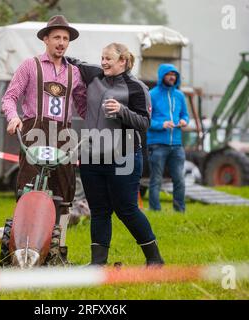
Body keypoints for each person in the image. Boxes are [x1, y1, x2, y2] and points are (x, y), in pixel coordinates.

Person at [68, 43, 164, 266]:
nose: (103, 62)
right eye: (102, 58)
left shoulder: (137, 88)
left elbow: (144, 123)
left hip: (125, 156)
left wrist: (122, 112)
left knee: (127, 209)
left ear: (123, 61)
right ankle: (97, 264)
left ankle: (155, 259)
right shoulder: (94, 76)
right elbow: (72, 62)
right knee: (99, 210)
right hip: (91, 156)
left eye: (108, 59)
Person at [1, 15, 87, 263]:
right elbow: (10, 97)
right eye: (57, 37)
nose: (61, 43)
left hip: (62, 134)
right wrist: (13, 117)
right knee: (27, 188)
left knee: (63, 192)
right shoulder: (30, 65)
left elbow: (83, 108)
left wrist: (105, 118)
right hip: (33, 130)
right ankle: (19, 250)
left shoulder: (75, 73)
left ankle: (58, 251)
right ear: (46, 39)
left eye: (66, 39)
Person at [147, 64, 189, 212]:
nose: (172, 77)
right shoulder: (152, 95)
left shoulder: (180, 95)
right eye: (169, 74)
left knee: (179, 180)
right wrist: (161, 124)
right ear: (161, 76)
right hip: (157, 145)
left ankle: (180, 210)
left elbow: (185, 115)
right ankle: (155, 210)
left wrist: (184, 121)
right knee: (156, 180)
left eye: (174, 74)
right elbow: (146, 120)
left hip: (177, 145)